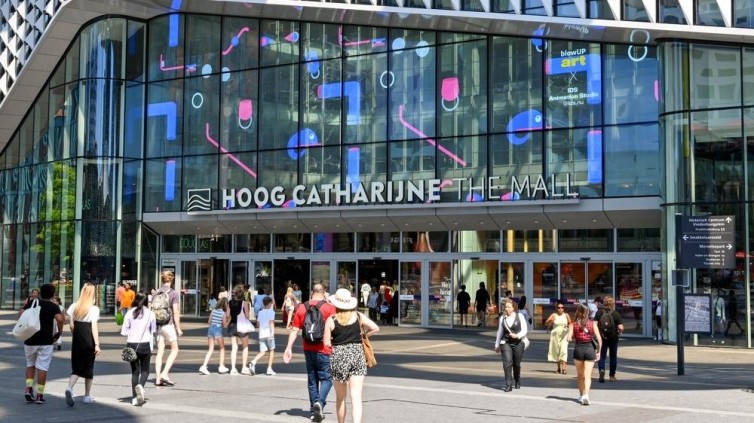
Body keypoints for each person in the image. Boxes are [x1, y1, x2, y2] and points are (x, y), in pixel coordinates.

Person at [324, 289, 380, 423]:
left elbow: (326, 343)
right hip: (357, 355)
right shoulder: (358, 316)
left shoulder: (331, 320)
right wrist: (364, 335)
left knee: (340, 398)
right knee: (356, 397)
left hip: (339, 355)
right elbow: (375, 328)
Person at [283, 283, 336, 423]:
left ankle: (314, 411)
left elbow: (294, 330)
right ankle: (320, 403)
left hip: (308, 349)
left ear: (312, 292)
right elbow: (336, 329)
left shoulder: (302, 307)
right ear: (324, 292)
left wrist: (288, 348)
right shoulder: (329, 308)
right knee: (327, 379)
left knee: (312, 381)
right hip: (325, 349)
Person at [22, 283, 64, 404]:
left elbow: (21, 314)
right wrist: (59, 332)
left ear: (40, 293)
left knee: (30, 364)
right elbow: (60, 319)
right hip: (46, 341)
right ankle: (39, 395)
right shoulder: (53, 306)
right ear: (52, 294)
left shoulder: (32, 304)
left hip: (30, 339)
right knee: (42, 367)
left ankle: (28, 389)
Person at [64, 283, 101, 406]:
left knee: (77, 366)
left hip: (77, 340)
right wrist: (97, 344)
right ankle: (86, 395)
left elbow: (71, 325)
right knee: (89, 367)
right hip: (88, 340)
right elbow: (94, 327)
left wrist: (76, 334)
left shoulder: (74, 306)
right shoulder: (94, 309)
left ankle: (70, 387)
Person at [121, 292, 156, 406]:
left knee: (135, 372)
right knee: (145, 370)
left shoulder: (130, 313)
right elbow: (153, 331)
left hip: (131, 344)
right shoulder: (150, 314)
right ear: (146, 302)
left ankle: (134, 398)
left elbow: (124, 331)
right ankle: (141, 386)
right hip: (145, 344)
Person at [567, 304, 602, 405]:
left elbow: (568, 338)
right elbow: (599, 339)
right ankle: (586, 395)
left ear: (577, 312)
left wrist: (570, 335)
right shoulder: (593, 323)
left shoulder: (573, 324)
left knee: (580, 375)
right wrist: (599, 352)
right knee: (588, 376)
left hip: (578, 350)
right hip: (590, 350)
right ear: (587, 313)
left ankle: (581, 395)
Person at [154, 270, 182, 387]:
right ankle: (164, 373)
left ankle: (157, 378)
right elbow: (175, 312)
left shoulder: (156, 292)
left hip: (158, 325)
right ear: (172, 279)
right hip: (168, 324)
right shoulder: (174, 293)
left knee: (160, 352)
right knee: (175, 349)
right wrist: (178, 328)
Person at [494, 299, 528, 392]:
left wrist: (517, 335)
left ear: (513, 308)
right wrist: (496, 344)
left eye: (509, 307)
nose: (507, 308)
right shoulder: (502, 318)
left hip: (518, 342)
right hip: (506, 343)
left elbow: (524, 330)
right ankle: (508, 385)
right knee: (507, 363)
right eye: (506, 306)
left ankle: (517, 379)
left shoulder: (519, 316)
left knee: (516, 364)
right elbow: (499, 332)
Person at [595, 295, 623, 383]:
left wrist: (597, 334)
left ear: (604, 303)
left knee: (602, 356)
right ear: (613, 304)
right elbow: (621, 327)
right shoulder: (615, 314)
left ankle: (601, 370)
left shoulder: (599, 312)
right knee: (613, 356)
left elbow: (594, 324)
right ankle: (612, 376)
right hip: (613, 338)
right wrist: (619, 331)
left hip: (602, 337)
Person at [199, 297, 229, 375]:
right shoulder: (223, 313)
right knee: (222, 348)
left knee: (210, 349)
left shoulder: (213, 311)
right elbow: (225, 325)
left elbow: (209, 321)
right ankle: (221, 366)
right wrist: (229, 320)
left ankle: (204, 366)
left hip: (211, 329)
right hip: (218, 329)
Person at [228, 284, 252, 375]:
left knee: (234, 347)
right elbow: (247, 316)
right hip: (242, 326)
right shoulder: (244, 303)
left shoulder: (230, 302)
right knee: (245, 347)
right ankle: (244, 367)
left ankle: (233, 368)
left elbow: (227, 315)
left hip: (232, 325)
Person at [250, 296, 276, 375]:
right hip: (269, 334)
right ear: (268, 304)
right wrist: (272, 333)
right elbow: (271, 323)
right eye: (271, 303)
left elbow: (258, 324)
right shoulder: (272, 312)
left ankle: (253, 361)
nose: (272, 304)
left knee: (262, 351)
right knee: (271, 350)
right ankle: (269, 368)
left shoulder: (260, 312)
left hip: (261, 334)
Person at [545, 300, 571, 374]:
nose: (560, 309)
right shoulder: (554, 315)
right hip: (555, 335)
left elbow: (571, 323)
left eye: (562, 307)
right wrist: (550, 321)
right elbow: (547, 322)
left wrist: (568, 328)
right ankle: (559, 368)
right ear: (556, 308)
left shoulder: (566, 315)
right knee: (557, 351)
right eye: (559, 307)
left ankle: (564, 368)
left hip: (564, 335)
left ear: (563, 308)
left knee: (563, 350)